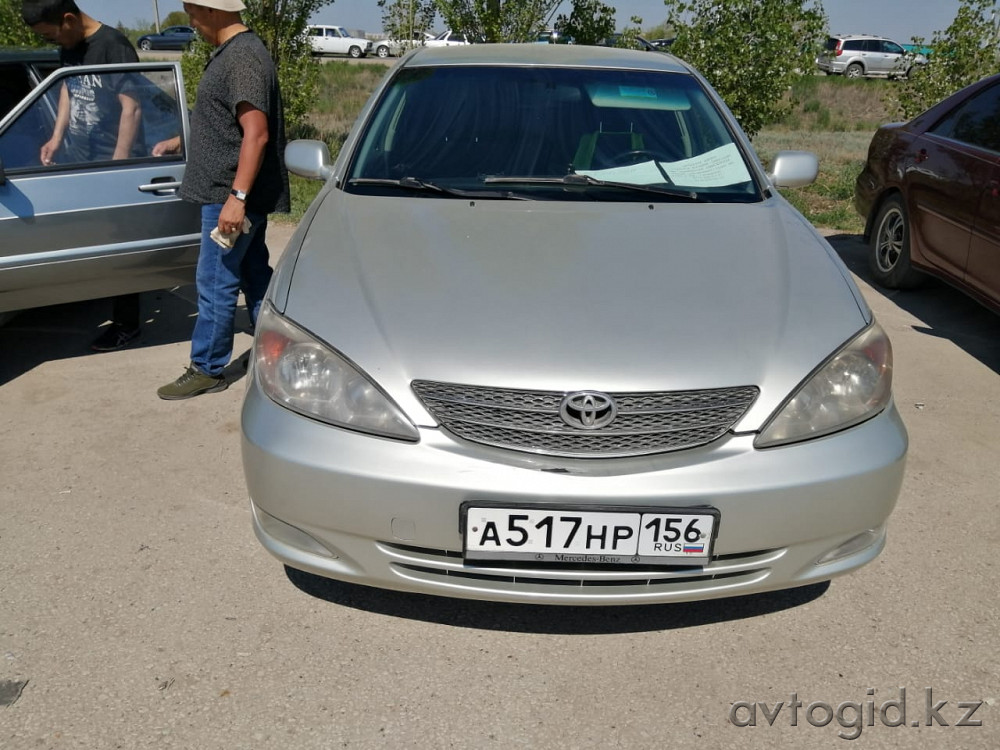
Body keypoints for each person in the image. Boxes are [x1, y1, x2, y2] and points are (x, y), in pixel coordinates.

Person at [155, 0, 289, 400]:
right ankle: (278, 346)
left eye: (193, 15)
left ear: (212, 11)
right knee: (252, 273)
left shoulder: (243, 56)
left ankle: (208, 367)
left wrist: (237, 198)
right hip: (233, 192)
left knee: (215, 280)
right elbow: (224, 118)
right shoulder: (236, 53)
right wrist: (182, 139)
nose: (192, 24)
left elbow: (257, 133)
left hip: (228, 194)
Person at [21, 0, 143, 352]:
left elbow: (131, 108)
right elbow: (66, 92)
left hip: (112, 162)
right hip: (80, 159)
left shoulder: (113, 45)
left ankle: (127, 324)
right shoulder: (70, 47)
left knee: (120, 249)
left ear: (69, 19)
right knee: (93, 241)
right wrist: (56, 138)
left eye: (50, 34)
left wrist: (119, 167)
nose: (51, 42)